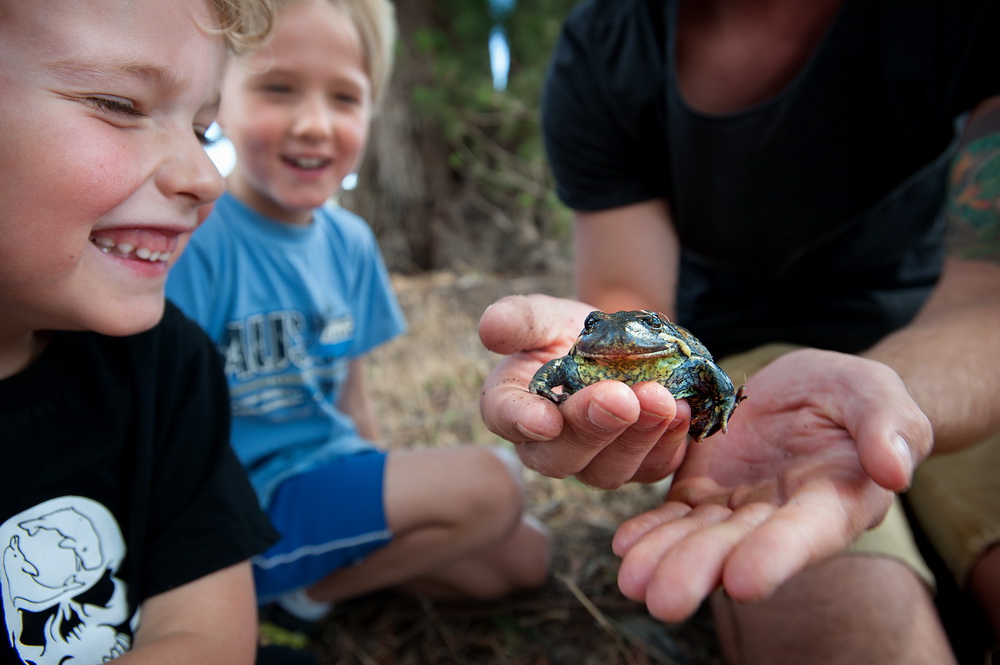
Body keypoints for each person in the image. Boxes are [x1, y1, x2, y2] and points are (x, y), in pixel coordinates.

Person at [478, 0, 1000, 663]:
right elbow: (627, 308)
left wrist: (883, 396)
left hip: (947, 342)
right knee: (839, 607)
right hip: (753, 375)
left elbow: (990, 291)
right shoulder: (607, 48)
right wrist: (579, 385)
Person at [166, 0, 551, 644]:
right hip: (247, 506)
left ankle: (316, 578)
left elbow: (353, 395)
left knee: (523, 557)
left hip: (329, 471)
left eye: (344, 98)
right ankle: (302, 598)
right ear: (217, 99)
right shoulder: (197, 239)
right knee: (495, 482)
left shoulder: (350, 242)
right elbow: (169, 425)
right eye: (278, 89)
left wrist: (391, 494)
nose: (314, 124)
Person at [0, 0, 281, 663]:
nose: (205, 176)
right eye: (119, 105)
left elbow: (205, 630)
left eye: (203, 128)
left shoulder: (168, 362)